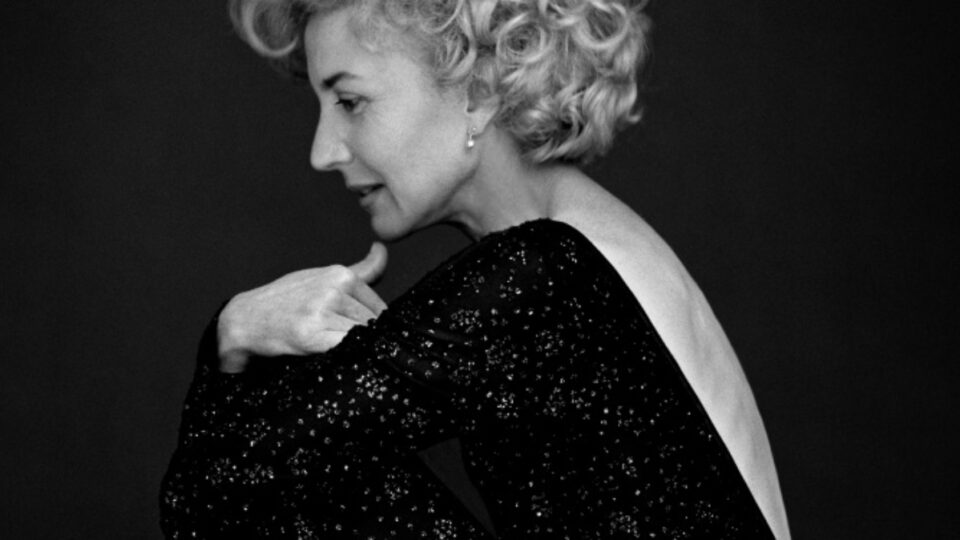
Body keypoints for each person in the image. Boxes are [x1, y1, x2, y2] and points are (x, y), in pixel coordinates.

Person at [161, 0, 790, 538]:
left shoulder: (545, 275)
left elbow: (209, 497)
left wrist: (232, 331)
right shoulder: (592, 251)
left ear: (480, 93)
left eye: (350, 101)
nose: (322, 152)